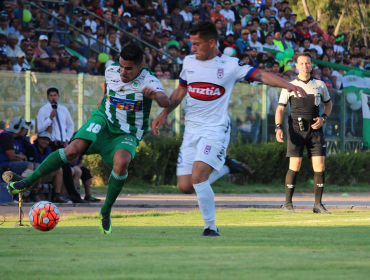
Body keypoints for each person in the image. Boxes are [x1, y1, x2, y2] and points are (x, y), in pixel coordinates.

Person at [152, 21, 307, 237]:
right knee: (185, 186)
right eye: (191, 43)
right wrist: (163, 114)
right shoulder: (188, 62)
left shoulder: (230, 65)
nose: (192, 48)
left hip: (215, 129)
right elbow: (180, 92)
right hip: (192, 131)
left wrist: (289, 85)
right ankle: (226, 166)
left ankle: (210, 227)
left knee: (198, 177)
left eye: (197, 44)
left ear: (211, 42)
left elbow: (261, 75)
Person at [7, 44, 171, 234]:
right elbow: (108, 85)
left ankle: (106, 211)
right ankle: (26, 183)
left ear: (140, 67)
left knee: (122, 162)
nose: (123, 72)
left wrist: (156, 98)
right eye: (121, 67)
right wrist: (105, 97)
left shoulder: (149, 81)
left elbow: (165, 100)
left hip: (127, 131)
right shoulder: (111, 71)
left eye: (129, 68)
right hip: (104, 120)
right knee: (72, 149)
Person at [275, 52, 332, 214]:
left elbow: (328, 105)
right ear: (296, 66)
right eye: (301, 63)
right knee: (295, 165)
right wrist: (278, 127)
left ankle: (318, 205)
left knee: (320, 166)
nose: (305, 66)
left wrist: (323, 119)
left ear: (312, 65)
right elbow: (280, 109)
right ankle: (288, 204)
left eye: (308, 63)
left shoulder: (320, 85)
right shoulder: (289, 85)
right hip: (296, 131)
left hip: (316, 131)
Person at [36, 87, 88, 203]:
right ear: (47, 97)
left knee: (66, 169)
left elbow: (70, 125)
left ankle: (68, 195)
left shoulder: (63, 109)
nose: (53, 97)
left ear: (58, 97)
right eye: (50, 95)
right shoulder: (43, 110)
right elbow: (39, 128)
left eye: (55, 95)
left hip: (62, 143)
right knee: (62, 168)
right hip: (50, 144)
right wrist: (50, 118)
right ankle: (68, 195)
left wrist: (67, 139)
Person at [0, 117, 40, 202]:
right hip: (4, 164)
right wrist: (22, 157)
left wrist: (21, 157)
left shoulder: (21, 138)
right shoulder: (6, 135)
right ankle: (20, 194)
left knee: (39, 167)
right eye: (24, 129)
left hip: (14, 164)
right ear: (20, 128)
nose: (26, 131)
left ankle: (30, 195)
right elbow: (12, 157)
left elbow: (28, 151)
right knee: (30, 165)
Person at [24, 131, 67, 203]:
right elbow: (30, 164)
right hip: (33, 175)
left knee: (59, 169)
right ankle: (33, 194)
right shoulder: (31, 148)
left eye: (47, 140)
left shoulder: (49, 149)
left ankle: (57, 195)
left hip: (44, 174)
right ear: (38, 139)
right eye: (43, 139)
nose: (46, 142)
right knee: (39, 167)